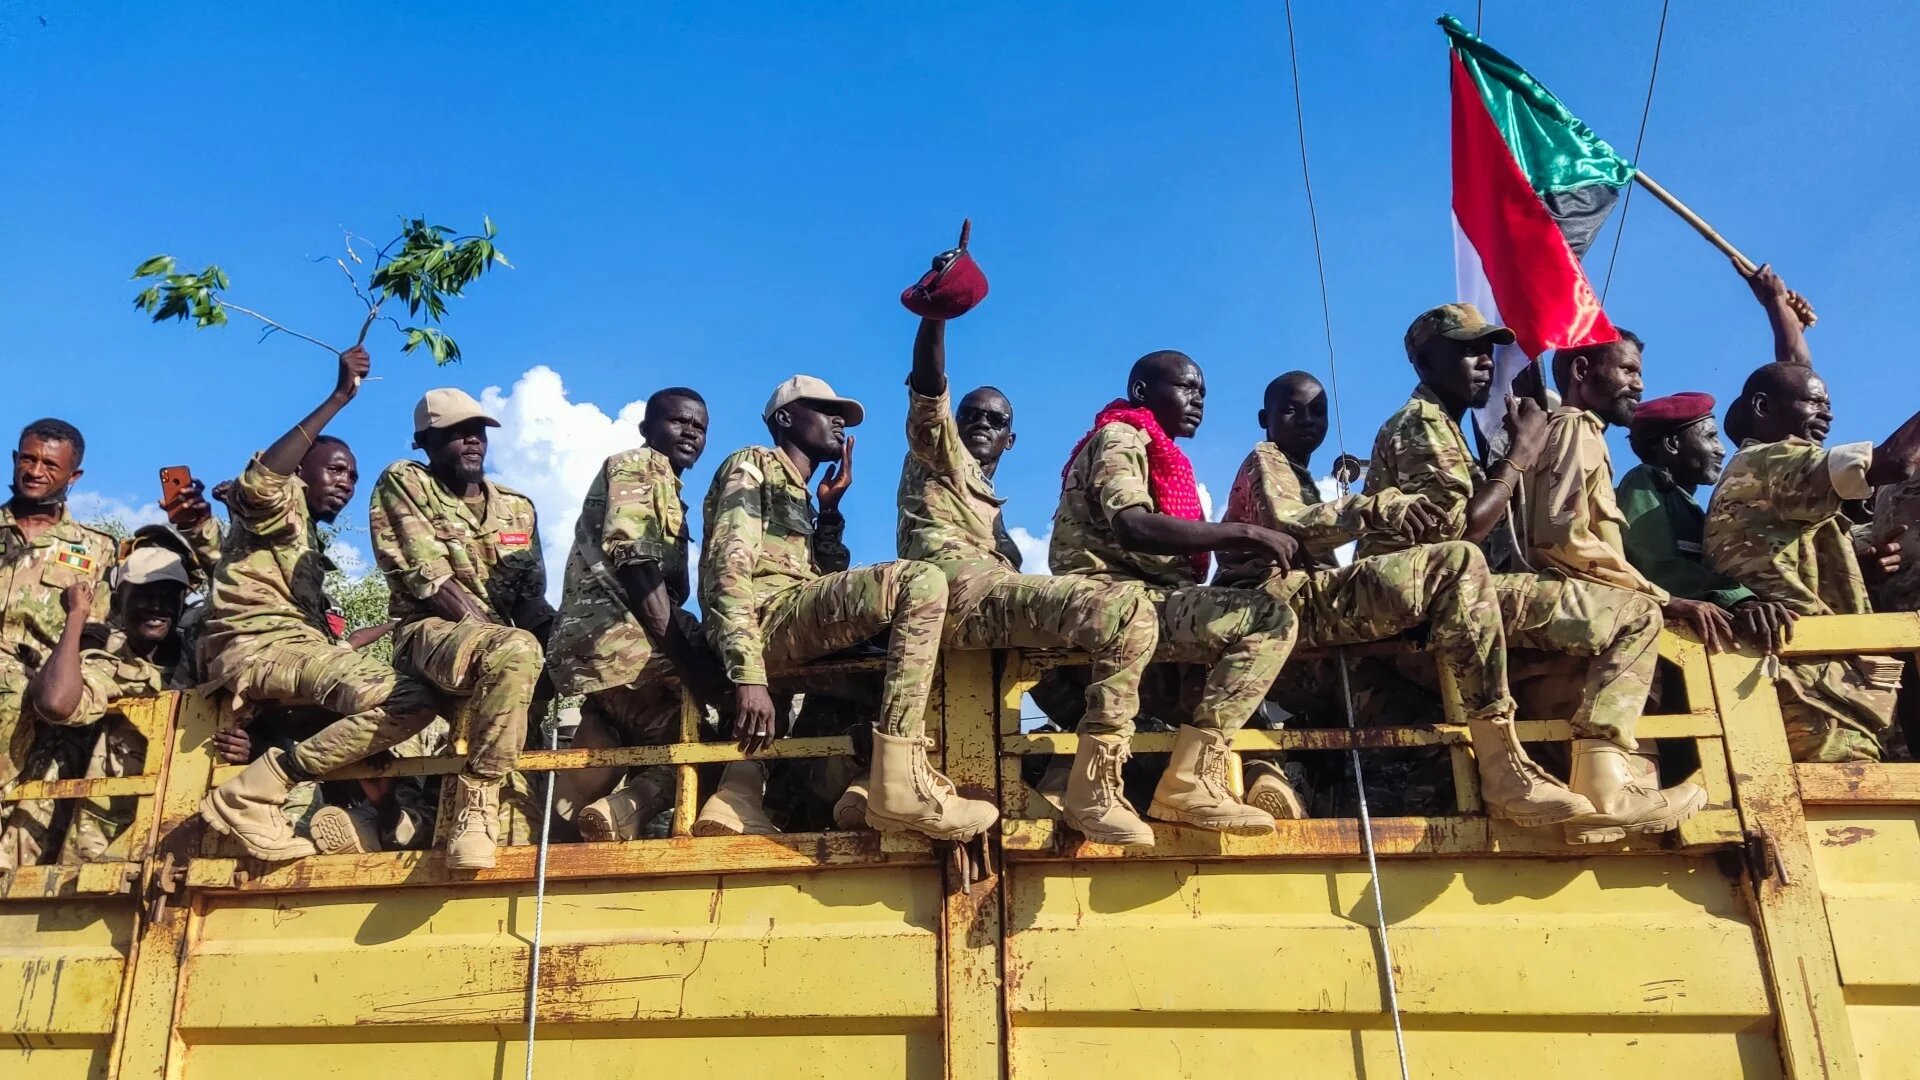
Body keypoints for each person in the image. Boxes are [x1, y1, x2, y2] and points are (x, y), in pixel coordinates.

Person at [1362, 304, 1704, 841]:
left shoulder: (1442, 426)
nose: (1484, 363)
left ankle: (1594, 792)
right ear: (1426, 362)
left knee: (1583, 647)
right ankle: (1606, 785)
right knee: (1638, 615)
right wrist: (1521, 451)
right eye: (1467, 351)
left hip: (1441, 599)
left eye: (1488, 352)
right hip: (1427, 604)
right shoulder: (1421, 426)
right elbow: (1464, 537)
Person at [895, 233, 1159, 845]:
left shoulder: (998, 528)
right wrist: (936, 313)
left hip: (988, 606)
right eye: (973, 416)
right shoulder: (937, 454)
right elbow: (928, 385)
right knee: (1125, 612)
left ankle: (1084, 772)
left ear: (1011, 440)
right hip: (954, 594)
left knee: (1075, 674)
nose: (981, 426)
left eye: (996, 421)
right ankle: (1094, 787)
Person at [1216, 371, 1541, 822]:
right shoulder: (1266, 458)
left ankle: (1396, 803)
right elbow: (1291, 522)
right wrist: (1376, 506)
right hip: (1271, 610)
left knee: (1419, 719)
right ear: (1264, 419)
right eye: (1291, 409)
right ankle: (1502, 757)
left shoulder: (1300, 473)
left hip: (1302, 635)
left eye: (1318, 410)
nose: (1307, 420)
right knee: (1455, 563)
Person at [702, 375, 995, 842]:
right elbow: (727, 572)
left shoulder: (798, 493)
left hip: (786, 620)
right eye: (823, 409)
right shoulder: (753, 464)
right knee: (920, 580)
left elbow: (817, 581)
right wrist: (749, 675)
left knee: (910, 653)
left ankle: (854, 780)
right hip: (762, 623)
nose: (838, 421)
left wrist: (830, 512)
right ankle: (901, 783)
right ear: (784, 418)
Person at [197, 347, 443, 862]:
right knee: (410, 701)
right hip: (259, 648)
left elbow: (334, 640)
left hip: (290, 650)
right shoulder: (281, 506)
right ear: (302, 472)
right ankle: (255, 793)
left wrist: (394, 623)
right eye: (335, 469)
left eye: (352, 476)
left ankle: (371, 820)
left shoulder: (305, 538)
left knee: (381, 741)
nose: (346, 482)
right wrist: (338, 398)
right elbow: (261, 482)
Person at [1049, 351, 1299, 835]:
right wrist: (1242, 534)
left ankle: (1226, 771)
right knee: (1270, 619)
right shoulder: (1121, 436)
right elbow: (1134, 527)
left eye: (1202, 392)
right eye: (1187, 388)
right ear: (1143, 391)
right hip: (1117, 600)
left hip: (1149, 595)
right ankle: (1193, 780)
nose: (1198, 401)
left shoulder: (1159, 451)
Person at [1514, 332, 1715, 837]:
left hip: (1577, 646)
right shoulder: (1575, 427)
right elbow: (1562, 537)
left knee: (1590, 814)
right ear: (1581, 372)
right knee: (1611, 800)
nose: (1639, 384)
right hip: (1583, 640)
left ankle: (1606, 800)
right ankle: (1609, 795)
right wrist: (1662, 598)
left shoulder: (1574, 432)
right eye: (1627, 370)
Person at [366, 387, 550, 869]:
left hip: (503, 646)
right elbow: (434, 584)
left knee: (585, 661)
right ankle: (478, 801)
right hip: (429, 634)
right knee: (515, 652)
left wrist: (566, 649)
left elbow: (530, 599)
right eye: (454, 433)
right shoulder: (405, 483)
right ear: (424, 441)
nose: (472, 441)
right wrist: (509, 641)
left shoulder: (518, 508)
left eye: (478, 432)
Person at [1706, 362, 1920, 761]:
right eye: (1814, 402)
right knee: (1854, 817)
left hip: (1818, 681)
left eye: (1829, 404)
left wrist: (1860, 571)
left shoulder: (1769, 474)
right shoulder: (1769, 461)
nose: (1828, 413)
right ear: (1763, 407)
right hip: (1812, 688)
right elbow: (1895, 463)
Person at [547, 386, 725, 841]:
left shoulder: (669, 486)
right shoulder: (640, 466)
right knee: (715, 747)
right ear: (647, 429)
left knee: (646, 735)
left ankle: (584, 815)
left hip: (612, 649)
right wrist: (687, 662)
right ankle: (623, 808)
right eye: (678, 421)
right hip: (620, 642)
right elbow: (636, 562)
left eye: (699, 426)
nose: (690, 432)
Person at [0, 419, 118, 869]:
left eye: (50, 464)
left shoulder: (96, 551)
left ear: (74, 476)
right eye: (28, 459)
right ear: (14, 460)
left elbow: (98, 638)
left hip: (45, 703)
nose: (35, 470)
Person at [1618, 392, 1800, 637]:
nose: (1721, 450)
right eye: (1711, 438)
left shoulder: (1683, 502)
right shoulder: (1642, 482)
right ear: (1672, 444)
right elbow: (1655, 564)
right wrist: (1736, 598)